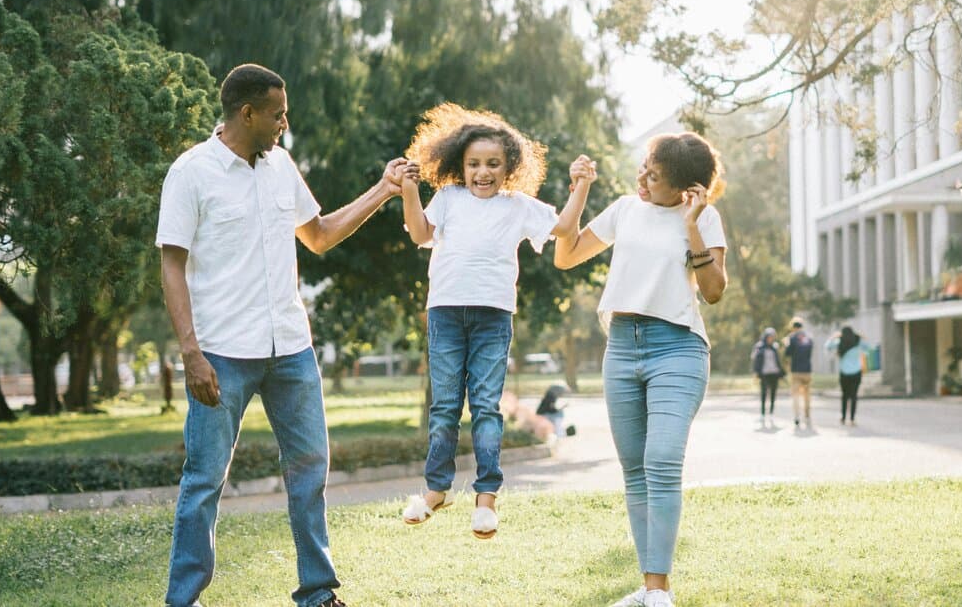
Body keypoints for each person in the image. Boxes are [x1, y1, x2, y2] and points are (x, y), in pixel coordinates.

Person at [157, 63, 408, 607]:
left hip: (290, 348)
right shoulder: (191, 172)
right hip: (222, 354)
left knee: (310, 469)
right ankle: (183, 600)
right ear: (247, 113)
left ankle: (318, 594)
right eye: (277, 114)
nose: (284, 124)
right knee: (204, 480)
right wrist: (191, 352)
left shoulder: (280, 166)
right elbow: (172, 264)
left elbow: (316, 236)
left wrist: (383, 191)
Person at [397, 102, 592, 539]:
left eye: (492, 164)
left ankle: (486, 500)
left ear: (510, 167)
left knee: (486, 407)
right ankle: (435, 491)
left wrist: (579, 186)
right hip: (445, 313)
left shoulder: (518, 206)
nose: (482, 172)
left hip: (493, 317)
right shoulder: (448, 198)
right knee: (445, 407)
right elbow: (419, 234)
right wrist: (409, 191)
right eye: (473, 164)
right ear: (459, 166)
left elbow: (563, 227)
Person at [555, 132, 728, 607]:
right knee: (635, 472)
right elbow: (565, 256)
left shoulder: (705, 217)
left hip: (678, 347)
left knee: (662, 462)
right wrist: (581, 189)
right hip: (622, 348)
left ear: (686, 189)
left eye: (655, 176)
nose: (643, 179)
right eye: (645, 168)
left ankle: (657, 592)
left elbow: (713, 290)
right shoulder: (625, 209)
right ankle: (653, 589)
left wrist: (691, 224)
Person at [785, 317, 814, 427]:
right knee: (806, 395)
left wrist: (786, 343)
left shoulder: (792, 338)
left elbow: (788, 353)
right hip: (807, 370)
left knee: (796, 394)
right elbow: (810, 353)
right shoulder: (808, 337)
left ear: (793, 328)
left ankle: (797, 416)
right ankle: (807, 415)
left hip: (796, 370)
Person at [751, 327, 783, 422]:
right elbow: (754, 359)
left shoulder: (775, 346)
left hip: (774, 373)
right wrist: (756, 372)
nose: (771, 339)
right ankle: (763, 413)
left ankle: (771, 413)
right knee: (764, 393)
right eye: (769, 337)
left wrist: (781, 372)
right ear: (766, 337)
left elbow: (778, 361)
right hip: (764, 374)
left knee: (773, 393)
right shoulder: (759, 346)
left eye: (772, 337)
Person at [836, 326, 865, 425]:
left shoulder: (840, 343)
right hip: (856, 372)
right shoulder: (858, 342)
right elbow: (869, 348)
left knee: (844, 396)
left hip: (844, 373)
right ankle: (852, 419)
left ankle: (843, 418)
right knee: (854, 396)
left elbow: (827, 346)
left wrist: (834, 337)